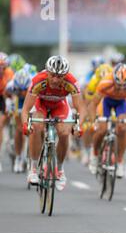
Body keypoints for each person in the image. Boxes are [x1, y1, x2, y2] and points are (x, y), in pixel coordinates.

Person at [21, 55, 87, 190]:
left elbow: (81, 107)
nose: (56, 79)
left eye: (60, 76)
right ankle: (33, 168)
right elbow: (26, 109)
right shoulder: (38, 80)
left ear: (65, 75)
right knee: (36, 126)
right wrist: (25, 124)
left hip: (59, 105)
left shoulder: (71, 82)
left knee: (64, 132)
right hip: (41, 104)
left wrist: (79, 125)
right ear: (47, 72)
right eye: (52, 75)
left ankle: (60, 170)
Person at [89, 63, 126, 179]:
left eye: (124, 85)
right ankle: (94, 154)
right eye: (119, 84)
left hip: (121, 103)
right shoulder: (105, 83)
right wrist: (94, 121)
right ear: (113, 79)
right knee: (101, 129)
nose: (121, 88)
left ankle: (120, 161)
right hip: (106, 102)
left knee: (122, 128)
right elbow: (93, 104)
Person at [4, 68, 35, 172]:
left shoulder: (33, 84)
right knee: (19, 129)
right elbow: (6, 95)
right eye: (19, 89)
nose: (22, 92)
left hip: (31, 99)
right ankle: (18, 157)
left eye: (24, 89)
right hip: (18, 102)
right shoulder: (11, 86)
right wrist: (9, 103)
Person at [0, 52, 14, 172]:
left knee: (3, 121)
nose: (1, 69)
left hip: (6, 96)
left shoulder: (9, 73)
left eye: (2, 67)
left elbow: (11, 92)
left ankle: (10, 132)